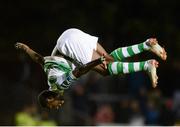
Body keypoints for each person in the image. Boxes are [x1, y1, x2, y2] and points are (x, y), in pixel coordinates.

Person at [15, 28, 167, 109]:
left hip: (69, 46)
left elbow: (79, 70)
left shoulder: (60, 85)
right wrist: (26, 48)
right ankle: (146, 45)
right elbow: (40, 59)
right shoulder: (50, 78)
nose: (55, 107)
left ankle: (146, 64)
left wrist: (97, 62)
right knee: (110, 59)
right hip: (69, 35)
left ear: (50, 97)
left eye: (51, 105)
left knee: (105, 70)